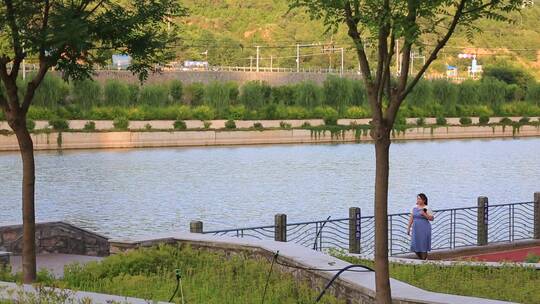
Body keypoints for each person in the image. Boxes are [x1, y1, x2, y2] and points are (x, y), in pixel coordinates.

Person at [407, 193, 434, 260]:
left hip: (424, 228)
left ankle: (423, 260)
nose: (418, 200)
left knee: (423, 245)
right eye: (417, 199)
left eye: (419, 199)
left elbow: (432, 218)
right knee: (414, 245)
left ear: (424, 200)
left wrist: (424, 214)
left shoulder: (427, 208)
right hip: (416, 228)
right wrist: (408, 228)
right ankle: (422, 259)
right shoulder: (414, 207)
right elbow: (411, 218)